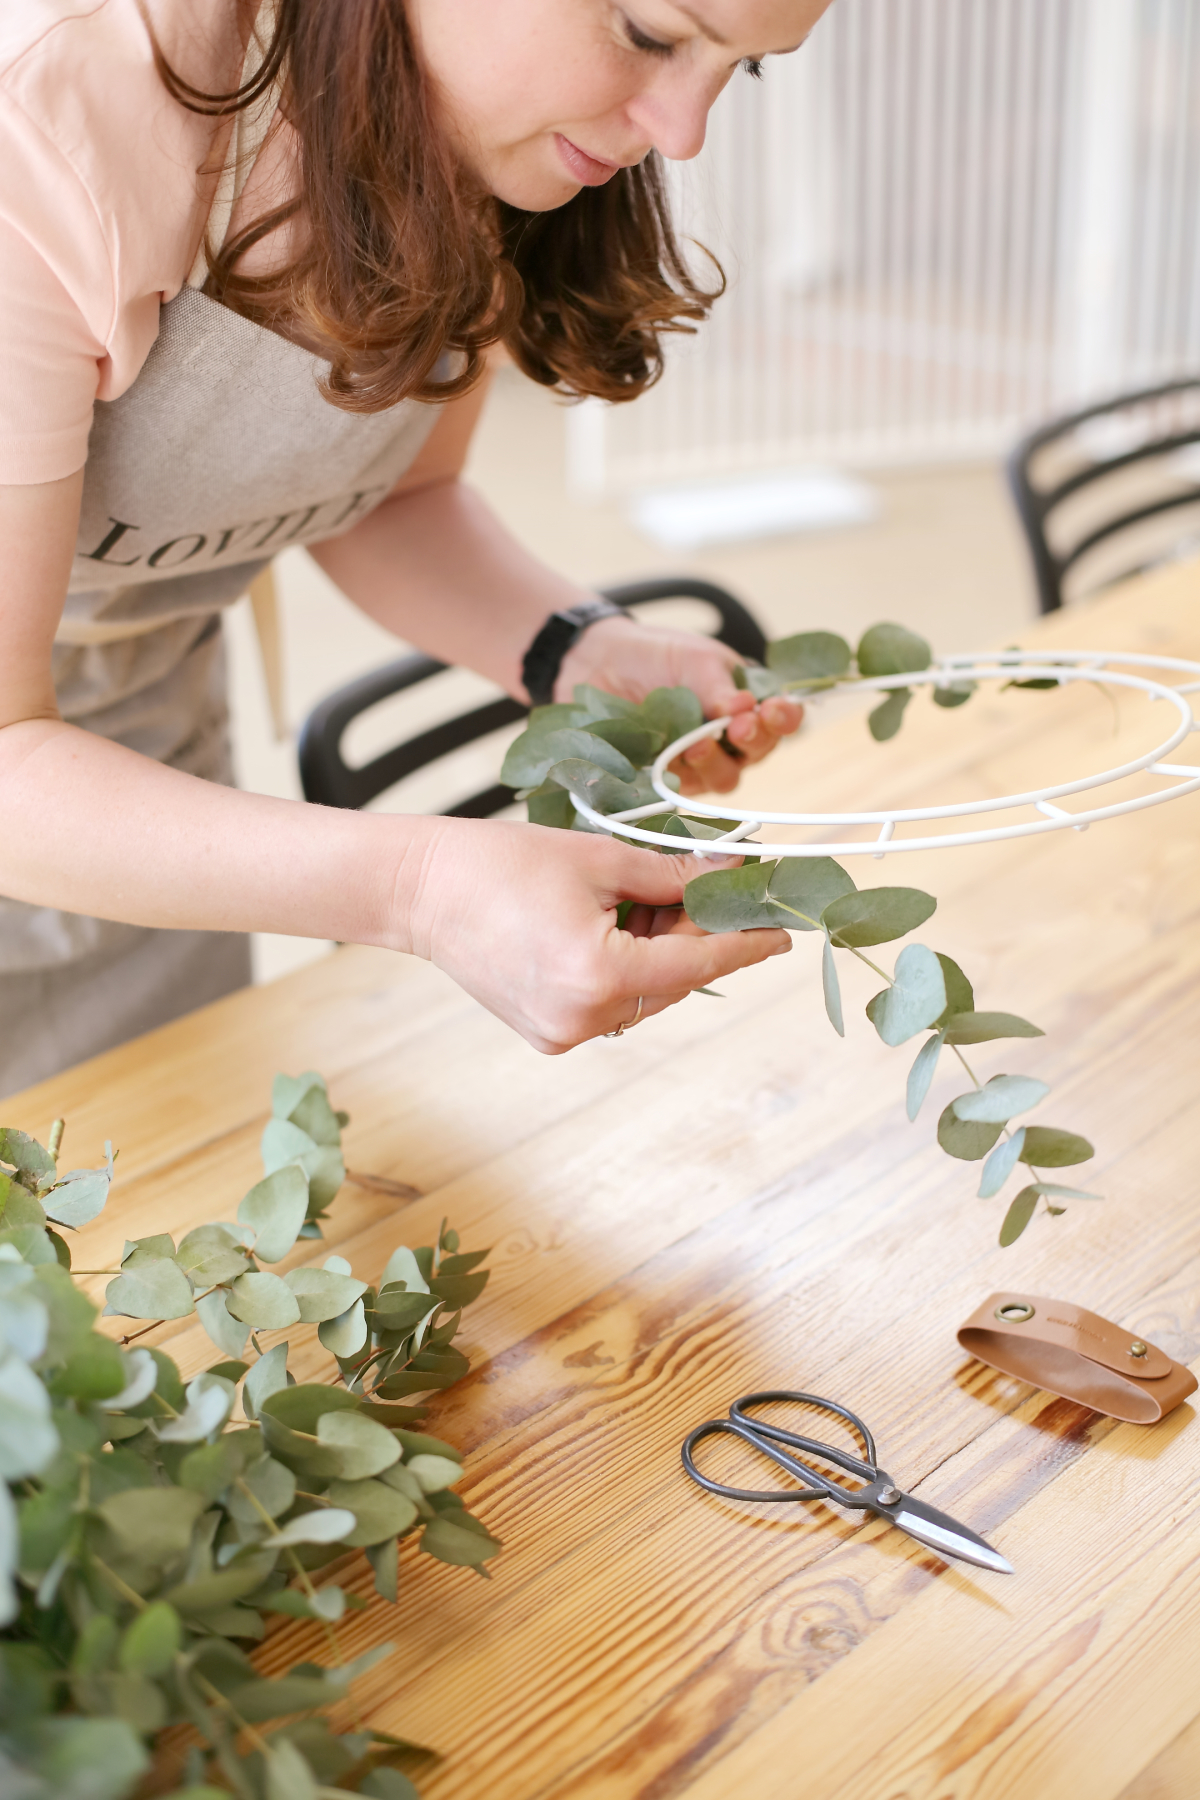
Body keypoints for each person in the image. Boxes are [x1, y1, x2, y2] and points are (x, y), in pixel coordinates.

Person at [0, 0, 827, 1093]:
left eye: (745, 70)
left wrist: (571, 649)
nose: (681, 134)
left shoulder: (483, 131)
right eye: (647, 31)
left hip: (144, 756)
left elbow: (388, 498)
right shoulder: (50, 122)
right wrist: (422, 887)